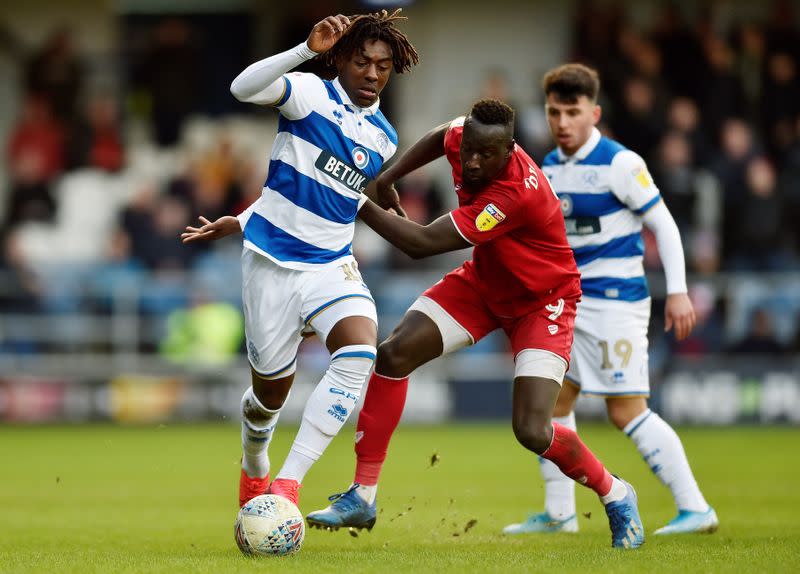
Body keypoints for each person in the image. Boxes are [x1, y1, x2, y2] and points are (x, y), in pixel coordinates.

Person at [307, 98, 645, 549]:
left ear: (509, 151)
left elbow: (423, 244)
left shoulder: (515, 193)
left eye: (486, 155)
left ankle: (616, 493)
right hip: (485, 285)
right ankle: (362, 496)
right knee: (393, 354)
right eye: (468, 149)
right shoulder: (466, 137)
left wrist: (353, 196)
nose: (471, 161)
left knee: (531, 430)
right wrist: (385, 178)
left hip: (542, 304)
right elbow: (439, 136)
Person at [181, 10, 419, 508]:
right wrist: (303, 51)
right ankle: (255, 462)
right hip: (271, 264)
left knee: (359, 352)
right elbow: (242, 89)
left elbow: (335, 193)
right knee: (268, 399)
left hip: (332, 265)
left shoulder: (385, 138)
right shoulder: (309, 93)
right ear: (339, 60)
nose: (373, 74)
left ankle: (287, 485)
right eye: (362, 62)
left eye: (382, 66)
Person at [503, 63, 718, 536]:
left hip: (615, 304)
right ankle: (560, 515)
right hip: (570, 304)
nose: (562, 122)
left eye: (573, 112)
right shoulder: (550, 168)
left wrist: (679, 292)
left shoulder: (620, 163)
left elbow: (664, 224)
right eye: (555, 111)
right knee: (554, 403)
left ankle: (696, 507)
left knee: (626, 411)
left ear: (593, 113)